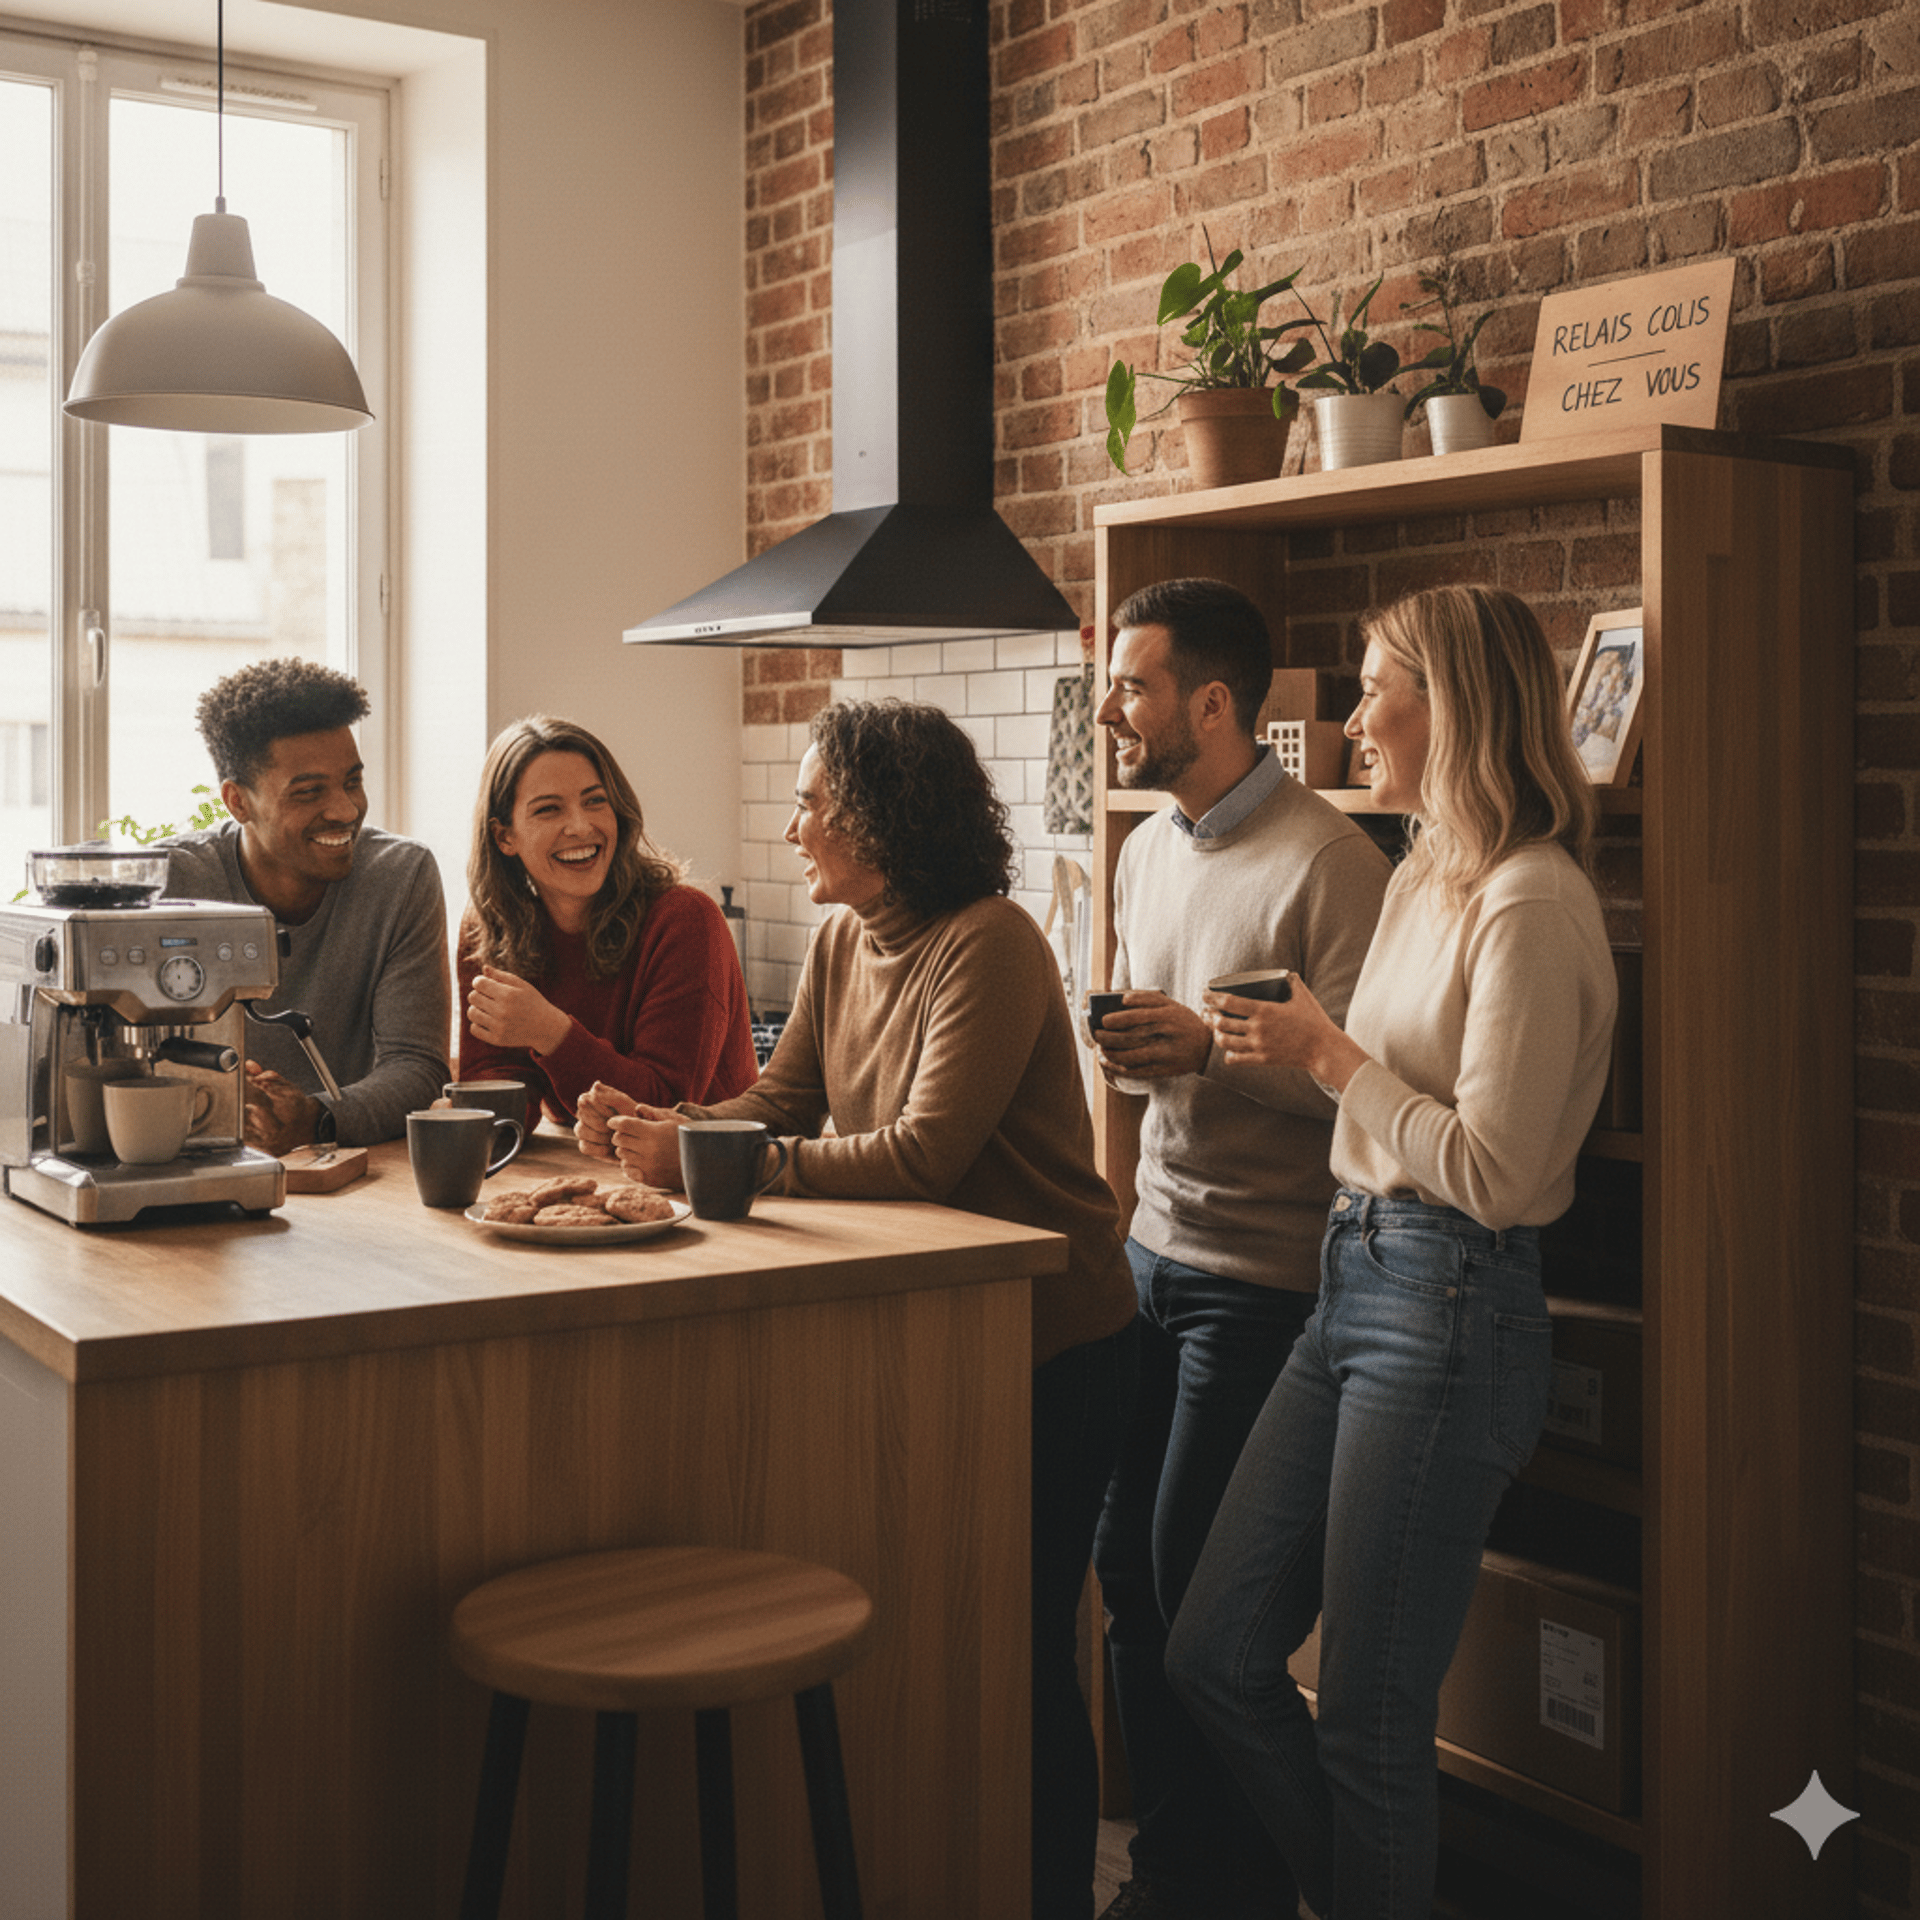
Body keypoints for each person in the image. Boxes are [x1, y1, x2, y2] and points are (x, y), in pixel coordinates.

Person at [575, 698, 1138, 1920]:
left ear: (882, 819)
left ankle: (1050, 1897)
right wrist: (665, 1124)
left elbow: (924, 1154)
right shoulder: (843, 942)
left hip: (1056, 1340)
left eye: (812, 806)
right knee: (951, 1627)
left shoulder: (990, 942)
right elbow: (780, 1105)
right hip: (943, 1331)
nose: (792, 829)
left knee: (1020, 1640)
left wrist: (705, 1164)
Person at [1164, 585, 1618, 1920]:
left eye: (1377, 694)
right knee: (1214, 1650)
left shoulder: (1533, 900)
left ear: (1455, 709)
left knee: (1366, 1722)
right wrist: (1301, 1051)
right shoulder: (1424, 871)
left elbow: (1497, 1172)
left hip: (1451, 1302)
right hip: (1356, 1276)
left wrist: (1328, 1053)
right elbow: (1382, 1095)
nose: (1355, 721)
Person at [1088, 579, 1390, 1920]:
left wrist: (1210, 1052)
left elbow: (1367, 1088)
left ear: (1212, 705)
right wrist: (1135, 1063)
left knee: (1193, 1600)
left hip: (1264, 1289)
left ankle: (1248, 1883)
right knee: (1126, 1576)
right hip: (1151, 1262)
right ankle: (1179, 1872)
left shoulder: (1334, 862)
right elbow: (1148, 1073)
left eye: (1132, 685)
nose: (1111, 709)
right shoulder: (1145, 849)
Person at [159, 657, 450, 1151]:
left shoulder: (401, 876)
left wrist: (315, 1118)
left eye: (352, 782)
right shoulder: (169, 884)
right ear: (238, 802)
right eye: (309, 792)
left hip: (346, 1169)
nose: (345, 810)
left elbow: (418, 1068)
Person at [456, 716, 757, 1123]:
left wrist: (550, 1032)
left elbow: (660, 1107)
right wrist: (473, 1120)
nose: (581, 826)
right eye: (548, 809)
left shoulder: (686, 920)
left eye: (595, 801)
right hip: (585, 1155)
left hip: (705, 1160)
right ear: (504, 837)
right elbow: (499, 1079)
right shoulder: (490, 927)